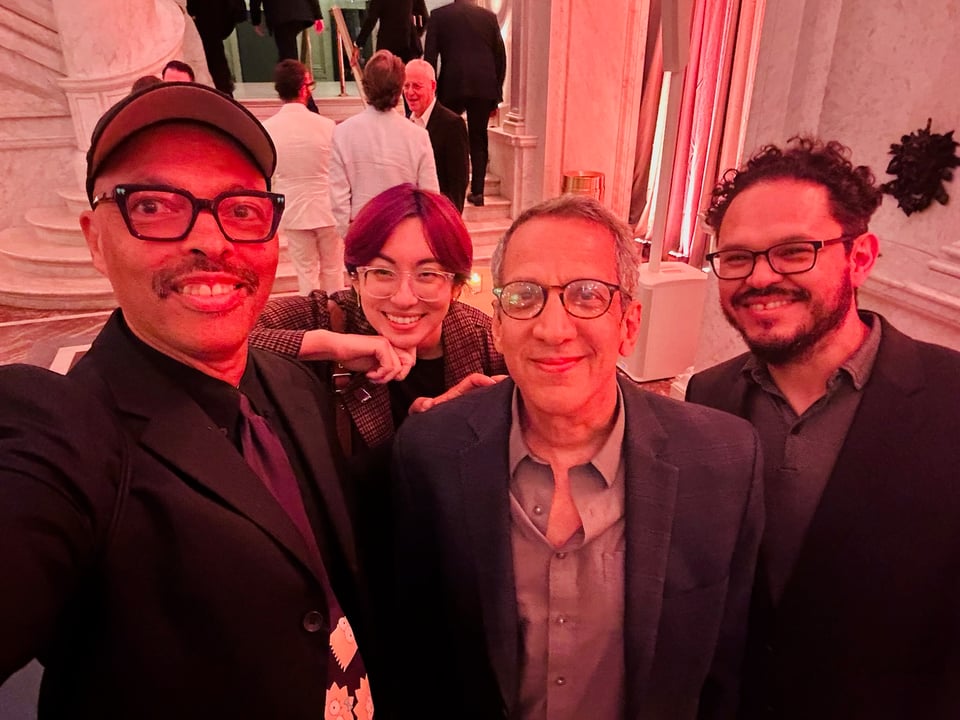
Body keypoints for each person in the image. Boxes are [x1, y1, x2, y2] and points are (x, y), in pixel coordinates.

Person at [0, 82, 378, 718]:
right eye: (153, 206)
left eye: (243, 208)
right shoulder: (65, 431)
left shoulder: (291, 389)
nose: (212, 241)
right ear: (96, 239)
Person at [389, 194, 764, 719]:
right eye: (524, 296)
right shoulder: (430, 453)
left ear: (629, 324)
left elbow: (728, 667)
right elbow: (414, 655)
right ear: (497, 324)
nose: (553, 328)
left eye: (587, 295)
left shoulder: (723, 462)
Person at [686, 136, 960, 718]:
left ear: (859, 257)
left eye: (793, 251)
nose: (759, 278)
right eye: (736, 257)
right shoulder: (707, 395)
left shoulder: (951, 400)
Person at [250, 182, 506, 459]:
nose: (403, 298)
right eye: (383, 272)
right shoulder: (329, 318)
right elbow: (222, 335)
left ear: (456, 286)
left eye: (427, 274)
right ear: (356, 279)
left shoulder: (486, 344)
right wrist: (329, 345)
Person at [330, 50, 439, 238]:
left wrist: (348, 236)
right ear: (399, 88)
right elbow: (430, 197)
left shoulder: (343, 132)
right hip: (404, 234)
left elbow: (338, 199)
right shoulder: (418, 136)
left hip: (362, 231)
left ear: (365, 86)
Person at [263, 59, 341, 295]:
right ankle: (336, 318)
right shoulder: (327, 126)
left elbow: (269, 175)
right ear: (303, 88)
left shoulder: (268, 129)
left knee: (305, 272)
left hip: (294, 208)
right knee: (333, 270)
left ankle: (313, 318)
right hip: (327, 207)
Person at [425, 0, 506, 207]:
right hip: (484, 85)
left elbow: (430, 59)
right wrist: (496, 94)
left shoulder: (439, 16)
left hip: (452, 84)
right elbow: (500, 58)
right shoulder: (488, 17)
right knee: (478, 138)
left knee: (446, 137)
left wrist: (430, 92)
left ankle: (447, 190)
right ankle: (477, 192)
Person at [404, 59, 469, 212]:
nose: (410, 92)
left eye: (417, 86)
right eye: (406, 85)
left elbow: (457, 186)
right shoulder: (405, 124)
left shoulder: (453, 125)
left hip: (437, 217)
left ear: (433, 86)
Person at [186, 0, 247, 94]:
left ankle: (221, 89)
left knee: (212, 55)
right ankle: (223, 89)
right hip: (211, 17)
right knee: (215, 55)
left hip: (204, 18)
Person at [353, 0, 429, 64]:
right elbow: (424, 17)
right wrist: (415, 33)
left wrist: (358, 44)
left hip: (387, 46)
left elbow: (371, 20)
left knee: (386, 78)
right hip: (409, 46)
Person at [250, 0, 320, 62]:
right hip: (301, 11)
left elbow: (255, 1)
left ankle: (291, 74)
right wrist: (318, 15)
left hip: (279, 14)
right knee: (288, 52)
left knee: (287, 56)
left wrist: (256, 21)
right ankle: (293, 72)